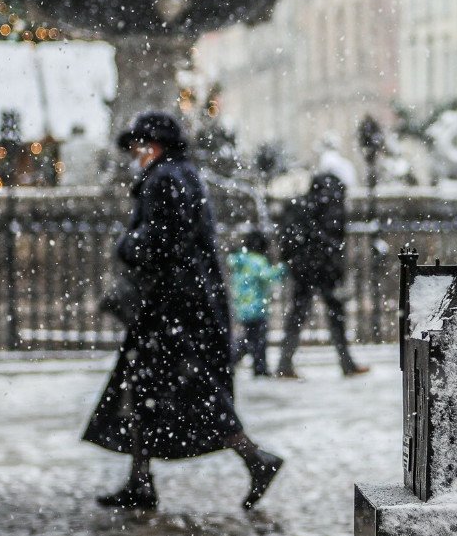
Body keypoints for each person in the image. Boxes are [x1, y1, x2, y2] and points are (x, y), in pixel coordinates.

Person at [83, 111, 283, 511]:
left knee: (190, 390)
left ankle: (254, 458)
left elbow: (160, 241)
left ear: (154, 145)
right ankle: (141, 480)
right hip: (182, 305)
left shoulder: (164, 179)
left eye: (140, 146)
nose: (135, 155)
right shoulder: (183, 175)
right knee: (148, 389)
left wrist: (126, 245)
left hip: (172, 307)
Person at [275, 172, 370, 379]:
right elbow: (333, 239)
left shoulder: (303, 206)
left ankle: (285, 363)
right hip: (323, 269)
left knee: (298, 314)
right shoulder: (330, 205)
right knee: (334, 315)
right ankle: (346, 363)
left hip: (305, 269)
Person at [228, 230, 284, 377]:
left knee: (250, 338)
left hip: (243, 306)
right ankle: (258, 367)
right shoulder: (257, 260)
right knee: (258, 340)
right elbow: (266, 275)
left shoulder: (241, 260)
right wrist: (282, 269)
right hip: (256, 306)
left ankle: (235, 361)